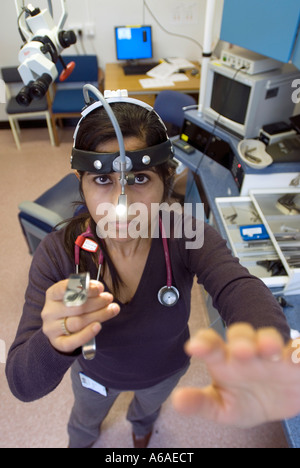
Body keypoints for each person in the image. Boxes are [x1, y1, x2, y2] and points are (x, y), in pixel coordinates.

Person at [5, 90, 300, 449]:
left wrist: (269, 343)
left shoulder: (184, 232)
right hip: (95, 375)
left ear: (166, 179)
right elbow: (22, 383)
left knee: (147, 412)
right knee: (84, 422)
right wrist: (55, 341)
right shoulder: (64, 254)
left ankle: (141, 429)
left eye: (140, 178)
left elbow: (235, 285)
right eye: (102, 180)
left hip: (163, 372)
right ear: (79, 180)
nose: (121, 205)